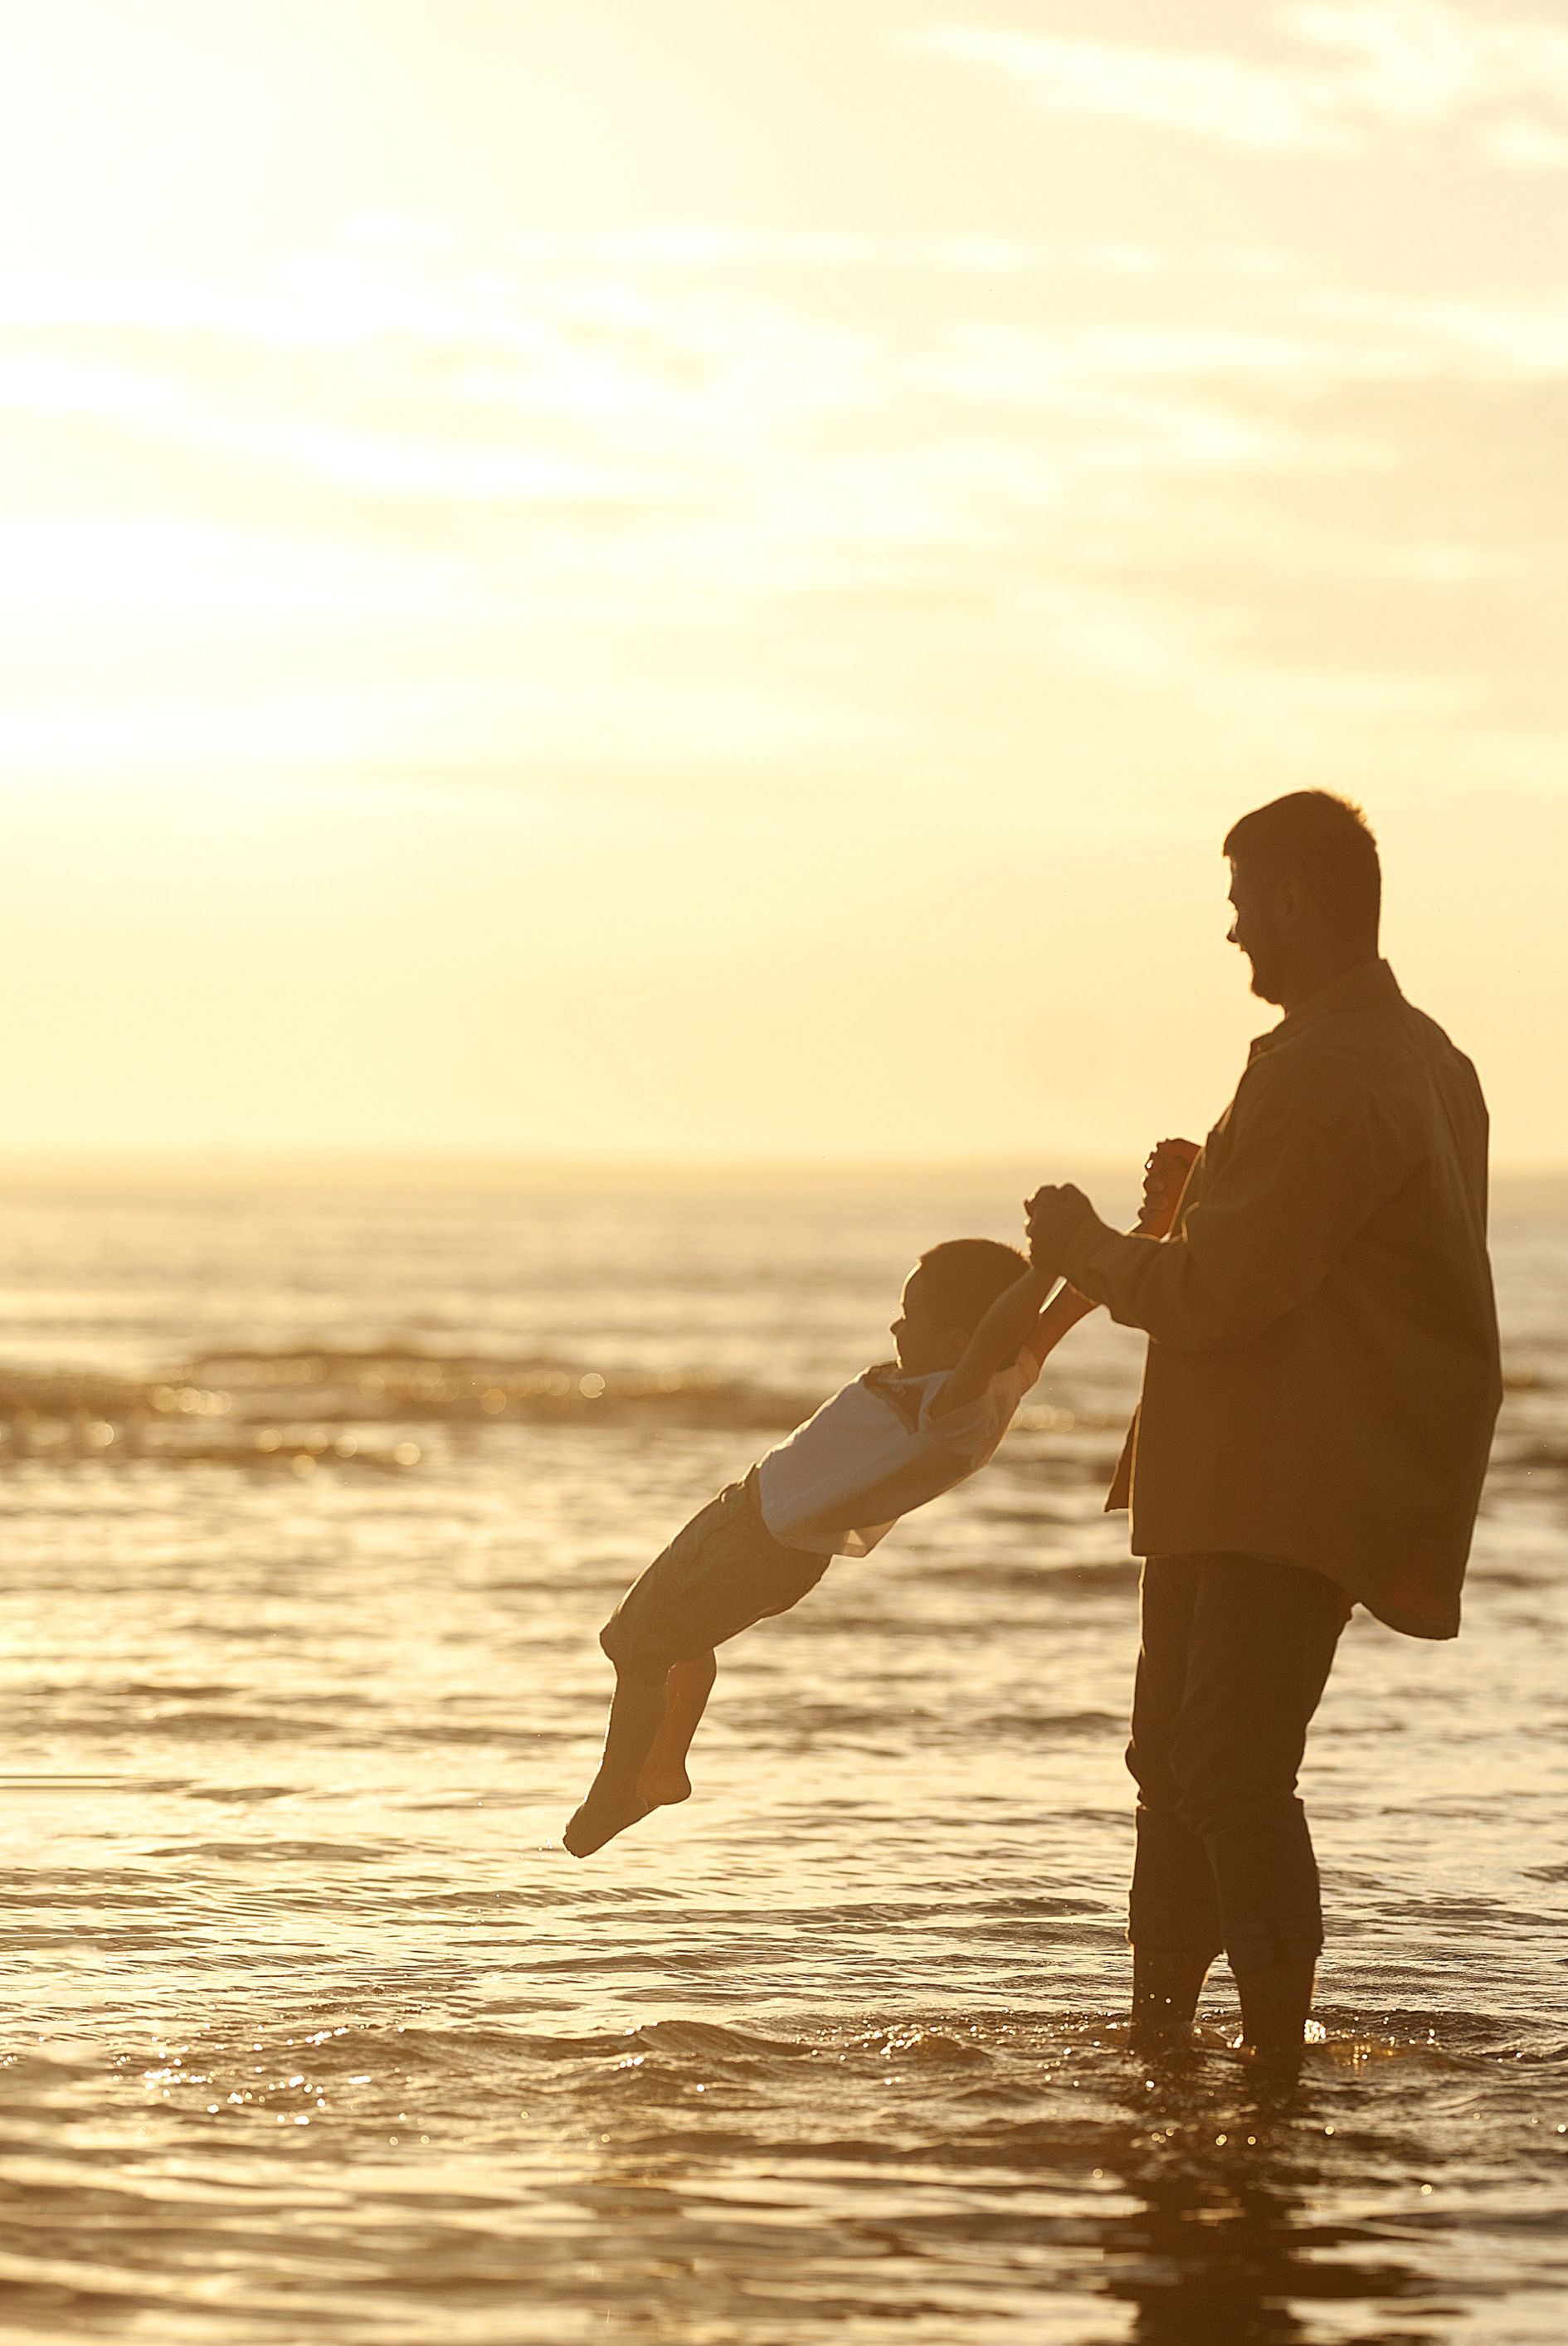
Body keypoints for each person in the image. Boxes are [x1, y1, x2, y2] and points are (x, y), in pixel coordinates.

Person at [1025, 789, 1502, 2063]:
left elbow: (1223, 1295)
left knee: (1223, 1775)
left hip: (1278, 1485)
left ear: (1294, 899)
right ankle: (1166, 2049)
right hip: (1252, 1475)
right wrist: (1200, 1200)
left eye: (1242, 904)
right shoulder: (1417, 1059)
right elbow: (1332, 1262)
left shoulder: (1337, 1071)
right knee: (1174, 1771)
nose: (1232, 933)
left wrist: (1092, 1248)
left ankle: (1273, 2072)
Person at [565, 1149, 1196, 1861]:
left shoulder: (954, 1406)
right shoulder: (1007, 1374)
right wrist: (1149, 1226)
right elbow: (1071, 1308)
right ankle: (664, 1765)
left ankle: (620, 1787)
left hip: (761, 1536)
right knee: (678, 1645)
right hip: (759, 1523)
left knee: (637, 1646)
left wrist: (1042, 1263)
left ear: (960, 1344)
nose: (897, 1332)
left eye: (911, 1319)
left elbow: (1009, 1324)